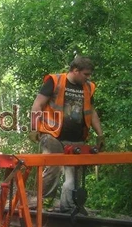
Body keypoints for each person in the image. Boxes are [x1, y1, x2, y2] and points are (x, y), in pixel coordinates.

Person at [29, 55, 105, 213]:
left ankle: (68, 207)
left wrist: (100, 134)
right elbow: (38, 104)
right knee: (53, 167)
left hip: (76, 137)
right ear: (75, 70)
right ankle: (44, 204)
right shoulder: (55, 81)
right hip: (52, 134)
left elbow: (92, 112)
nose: (88, 78)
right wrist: (34, 127)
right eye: (86, 74)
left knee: (74, 173)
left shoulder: (88, 87)